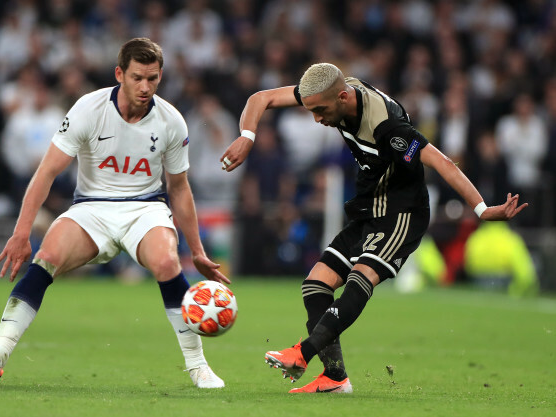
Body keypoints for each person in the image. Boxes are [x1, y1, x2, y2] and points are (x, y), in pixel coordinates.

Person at [220, 63, 527, 393]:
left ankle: (302, 353)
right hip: (368, 208)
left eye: (321, 110)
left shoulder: (387, 128)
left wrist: (482, 209)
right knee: (315, 285)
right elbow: (261, 98)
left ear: (342, 96)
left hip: (400, 212)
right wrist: (247, 137)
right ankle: (335, 378)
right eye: (310, 110)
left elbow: (442, 162)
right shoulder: (332, 90)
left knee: (359, 277)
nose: (316, 119)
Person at [0, 37, 229, 389]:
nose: (145, 87)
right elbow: (46, 172)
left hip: (146, 207)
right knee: (46, 257)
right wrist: (21, 232)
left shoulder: (171, 121)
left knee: (168, 264)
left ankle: (198, 367)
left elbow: (179, 188)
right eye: (137, 77)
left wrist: (196, 250)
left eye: (153, 79)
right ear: (119, 73)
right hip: (91, 206)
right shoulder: (87, 109)